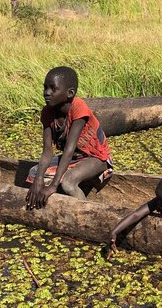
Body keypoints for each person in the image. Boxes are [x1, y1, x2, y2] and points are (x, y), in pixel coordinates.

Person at [25, 66, 113, 209]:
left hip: (96, 158)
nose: (47, 93)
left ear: (70, 93)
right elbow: (47, 152)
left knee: (68, 183)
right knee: (33, 173)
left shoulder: (78, 108)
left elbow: (69, 149)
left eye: (53, 89)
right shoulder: (47, 112)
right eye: (45, 88)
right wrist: (38, 180)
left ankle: (86, 213)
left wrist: (53, 185)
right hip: (74, 159)